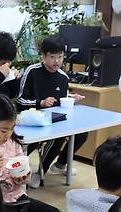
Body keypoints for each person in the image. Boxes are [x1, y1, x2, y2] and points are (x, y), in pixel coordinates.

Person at [16, 34, 87, 181]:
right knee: (57, 134)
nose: (57, 61)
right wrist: (40, 103)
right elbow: (21, 100)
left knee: (81, 133)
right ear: (44, 56)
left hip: (53, 119)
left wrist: (72, 99)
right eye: (52, 56)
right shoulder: (32, 71)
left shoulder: (63, 77)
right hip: (30, 119)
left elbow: (61, 99)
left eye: (60, 57)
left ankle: (60, 165)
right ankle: (40, 172)